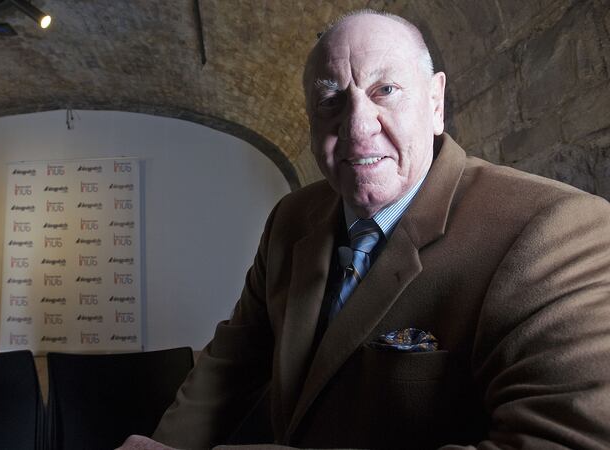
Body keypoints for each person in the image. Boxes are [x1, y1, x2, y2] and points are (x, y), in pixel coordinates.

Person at [122, 9, 610, 450]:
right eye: (330, 100)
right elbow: (231, 364)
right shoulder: (290, 219)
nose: (357, 128)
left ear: (435, 103)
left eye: (385, 90)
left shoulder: (556, 231)